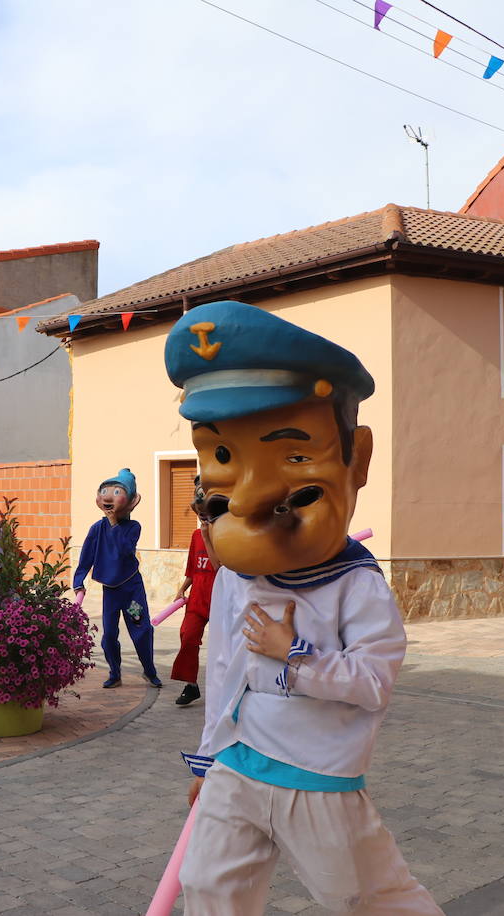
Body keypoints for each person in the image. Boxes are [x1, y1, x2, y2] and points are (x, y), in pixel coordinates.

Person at [166, 301, 441, 915]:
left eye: (292, 456)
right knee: (209, 888)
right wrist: (209, 758)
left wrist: (294, 658)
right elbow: (226, 670)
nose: (252, 494)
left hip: (315, 774)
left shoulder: (356, 585)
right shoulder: (242, 572)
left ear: (357, 460)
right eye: (223, 457)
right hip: (239, 763)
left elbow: (374, 683)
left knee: (363, 899)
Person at [73, 469, 161, 689]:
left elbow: (124, 550)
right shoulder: (96, 529)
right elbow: (87, 555)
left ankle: (149, 671)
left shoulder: (133, 527)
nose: (108, 496)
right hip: (110, 592)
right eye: (104, 491)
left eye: (116, 491)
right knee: (109, 634)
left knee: (140, 630)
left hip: (131, 591)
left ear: (132, 501)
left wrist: (113, 523)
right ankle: (115, 672)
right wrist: (79, 580)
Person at [170, 482, 216, 706]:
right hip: (198, 596)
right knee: (187, 636)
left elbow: (221, 569)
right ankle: (191, 685)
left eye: (206, 514)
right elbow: (193, 567)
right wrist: (182, 588)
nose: (202, 518)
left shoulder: (227, 536)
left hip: (220, 598)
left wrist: (209, 538)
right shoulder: (195, 535)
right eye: (199, 514)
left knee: (221, 647)